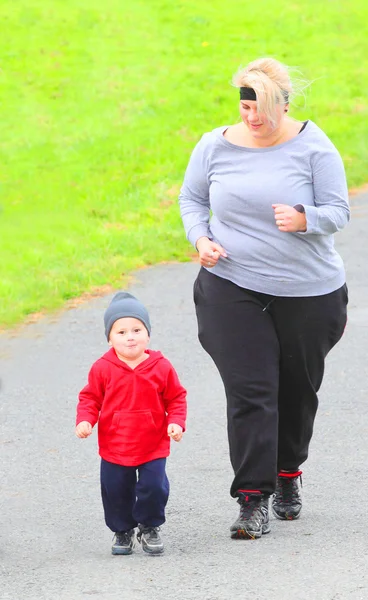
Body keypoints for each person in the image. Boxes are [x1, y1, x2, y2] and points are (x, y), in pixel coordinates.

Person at [179, 57, 349, 540]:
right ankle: (252, 500)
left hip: (308, 293)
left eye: (263, 108)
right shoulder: (215, 145)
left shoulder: (314, 147)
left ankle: (288, 473)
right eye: (246, 105)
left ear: (286, 104)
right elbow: (192, 200)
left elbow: (339, 210)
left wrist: (305, 218)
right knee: (252, 392)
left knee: (296, 393)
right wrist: (200, 239)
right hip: (231, 285)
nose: (253, 117)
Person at [75, 291, 187, 555]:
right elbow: (90, 398)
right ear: (109, 337)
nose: (130, 337)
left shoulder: (161, 366)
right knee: (115, 490)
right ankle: (122, 530)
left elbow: (177, 397)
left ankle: (149, 526)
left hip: (153, 443)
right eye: (121, 332)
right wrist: (85, 420)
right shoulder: (102, 368)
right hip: (116, 444)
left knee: (153, 487)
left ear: (147, 333)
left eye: (137, 329)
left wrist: (177, 422)